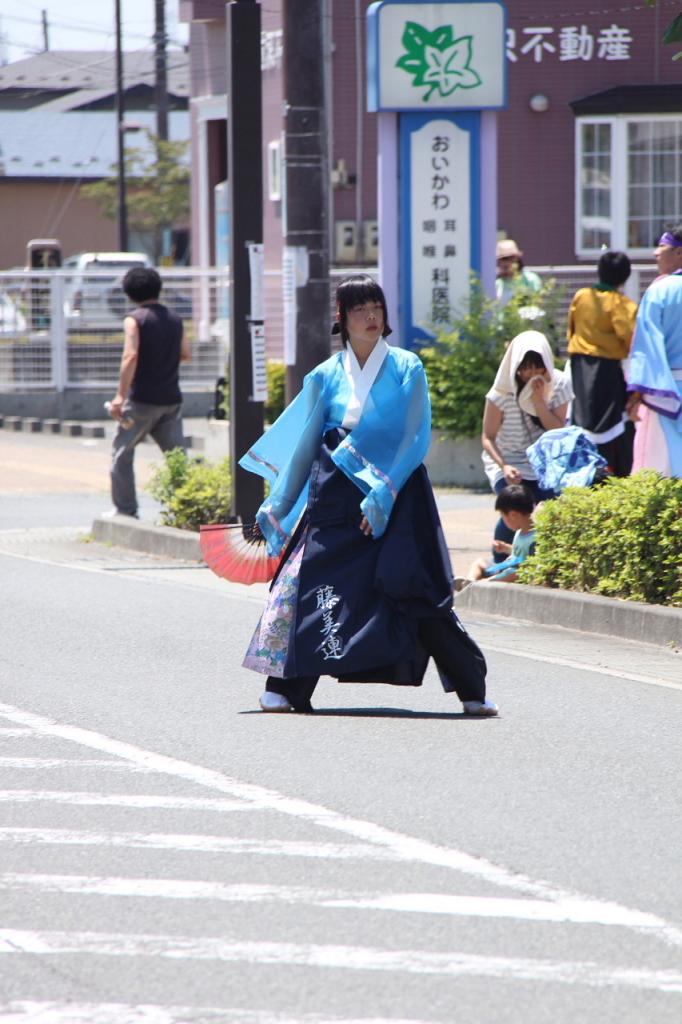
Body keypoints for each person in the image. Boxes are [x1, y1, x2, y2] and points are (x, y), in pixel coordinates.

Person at [239, 274, 498, 717]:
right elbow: (306, 443)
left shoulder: (406, 367)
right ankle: (286, 688)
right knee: (315, 585)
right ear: (342, 318)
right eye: (359, 309)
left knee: (415, 585)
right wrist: (281, 501)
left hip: (398, 491)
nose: (370, 316)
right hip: (336, 497)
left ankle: (471, 689)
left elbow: (416, 437)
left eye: (376, 306)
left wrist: (385, 490)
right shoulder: (324, 375)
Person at [105, 266, 191, 517]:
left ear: (129, 293)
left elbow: (130, 356)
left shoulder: (135, 320)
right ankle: (186, 509)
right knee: (177, 458)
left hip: (141, 401)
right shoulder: (176, 319)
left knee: (122, 453)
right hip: (171, 400)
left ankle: (126, 510)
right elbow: (186, 354)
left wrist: (120, 396)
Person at [481, 330, 573, 560]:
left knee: (548, 509)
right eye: (525, 368)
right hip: (509, 461)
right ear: (515, 367)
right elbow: (488, 437)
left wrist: (539, 402)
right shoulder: (500, 392)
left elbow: (558, 430)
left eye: (537, 367)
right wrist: (504, 466)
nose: (531, 373)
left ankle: (544, 560)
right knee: (516, 506)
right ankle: (500, 561)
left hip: (546, 462)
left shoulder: (560, 384)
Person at [567, 250, 637, 476]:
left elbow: (571, 329)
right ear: (624, 277)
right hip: (605, 369)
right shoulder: (622, 304)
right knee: (614, 424)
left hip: (578, 366)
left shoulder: (581, 296)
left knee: (581, 421)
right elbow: (630, 339)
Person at [626, 228, 682, 477]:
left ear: (679, 252)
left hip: (664, 392)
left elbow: (646, 348)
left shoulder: (660, 290)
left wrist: (636, 393)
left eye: (662, 246)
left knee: (660, 476)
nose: (655, 252)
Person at [467, 485, 536, 583]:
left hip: (516, 572)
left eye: (502, 516)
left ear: (513, 515)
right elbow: (517, 552)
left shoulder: (534, 537)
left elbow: (531, 563)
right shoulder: (519, 532)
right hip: (506, 566)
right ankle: (469, 581)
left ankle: (483, 583)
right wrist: (505, 548)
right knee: (480, 562)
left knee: (513, 573)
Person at [495, 239, 542, 307]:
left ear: (517, 259)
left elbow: (537, 302)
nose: (505, 263)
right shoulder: (497, 284)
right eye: (502, 259)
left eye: (509, 258)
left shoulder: (530, 279)